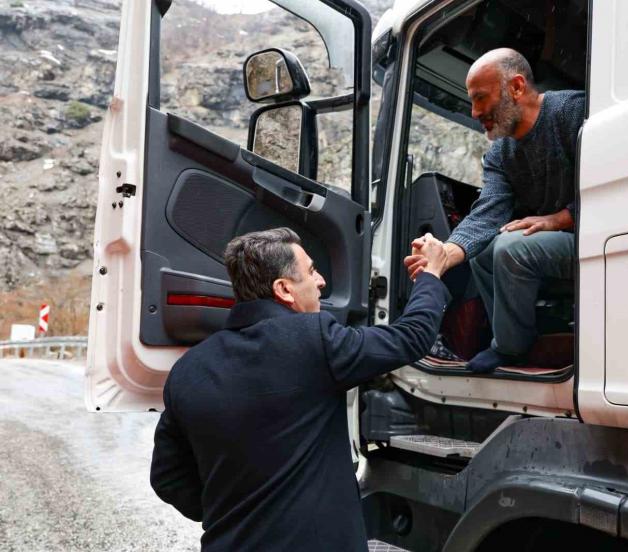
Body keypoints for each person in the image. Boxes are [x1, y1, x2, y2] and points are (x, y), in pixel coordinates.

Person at [150, 228, 450, 551]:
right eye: (311, 271)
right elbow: (411, 337)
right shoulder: (314, 341)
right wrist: (430, 274)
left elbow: (167, 477)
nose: (321, 281)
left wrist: (228, 511)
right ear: (284, 289)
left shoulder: (187, 369)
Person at [406, 48, 585, 373]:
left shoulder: (573, 112)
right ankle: (516, 340)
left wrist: (560, 219)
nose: (475, 112)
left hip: (597, 236)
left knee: (511, 248)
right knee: (484, 254)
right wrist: (444, 254)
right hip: (562, 243)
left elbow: (617, 174)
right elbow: (488, 212)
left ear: (516, 87)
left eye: (480, 98)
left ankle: (509, 349)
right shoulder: (500, 153)